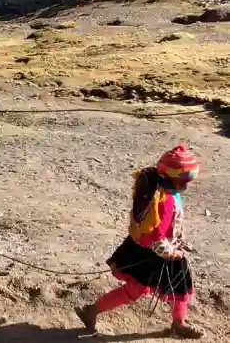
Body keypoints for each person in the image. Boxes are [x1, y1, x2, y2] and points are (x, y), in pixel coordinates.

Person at [75, 144, 203, 339]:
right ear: (172, 178)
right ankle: (91, 310)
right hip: (155, 253)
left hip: (146, 247)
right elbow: (157, 238)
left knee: (176, 286)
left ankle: (179, 323)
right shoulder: (164, 201)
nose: (187, 185)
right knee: (149, 288)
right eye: (184, 181)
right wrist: (174, 253)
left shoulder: (155, 187)